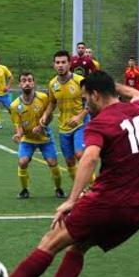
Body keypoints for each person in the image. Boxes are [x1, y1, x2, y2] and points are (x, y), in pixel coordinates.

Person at [0, 71, 139, 277]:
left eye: (86, 98)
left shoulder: (100, 122)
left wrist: (72, 200)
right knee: (78, 247)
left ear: (95, 95)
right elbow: (135, 93)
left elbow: (89, 158)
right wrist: (107, 83)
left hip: (107, 204)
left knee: (49, 242)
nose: (85, 104)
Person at [10, 72, 64, 199]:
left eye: (29, 80)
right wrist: (18, 135)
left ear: (33, 83)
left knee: (52, 162)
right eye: (24, 80)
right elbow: (18, 127)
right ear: (20, 84)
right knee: (22, 162)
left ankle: (58, 188)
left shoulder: (43, 98)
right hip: (27, 139)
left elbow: (50, 116)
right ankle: (24, 190)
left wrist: (42, 126)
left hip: (44, 137)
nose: (27, 83)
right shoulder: (14, 106)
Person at [42, 50, 88, 183]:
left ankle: (92, 188)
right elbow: (52, 102)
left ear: (69, 64)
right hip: (64, 126)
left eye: (63, 62)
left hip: (81, 124)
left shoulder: (80, 81)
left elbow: (90, 103)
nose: (60, 65)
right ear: (54, 65)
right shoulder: (52, 84)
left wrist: (80, 116)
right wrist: (45, 115)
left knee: (80, 154)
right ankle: (80, 189)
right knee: (69, 161)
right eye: (57, 62)